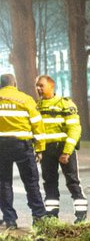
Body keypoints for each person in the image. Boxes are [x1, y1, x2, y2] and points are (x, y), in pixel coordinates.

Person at [34, 75, 87, 222]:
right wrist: (38, 150)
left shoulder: (65, 104)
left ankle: (81, 214)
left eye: (41, 85)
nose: (38, 88)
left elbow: (74, 129)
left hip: (63, 147)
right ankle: (52, 216)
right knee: (49, 183)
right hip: (46, 150)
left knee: (72, 181)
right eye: (37, 85)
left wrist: (67, 151)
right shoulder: (36, 107)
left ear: (51, 86)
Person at [0, 74, 49, 229]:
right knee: (31, 182)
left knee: (4, 183)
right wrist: (40, 149)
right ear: (15, 84)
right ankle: (39, 217)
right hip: (22, 146)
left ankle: (10, 220)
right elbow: (37, 125)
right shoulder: (26, 99)